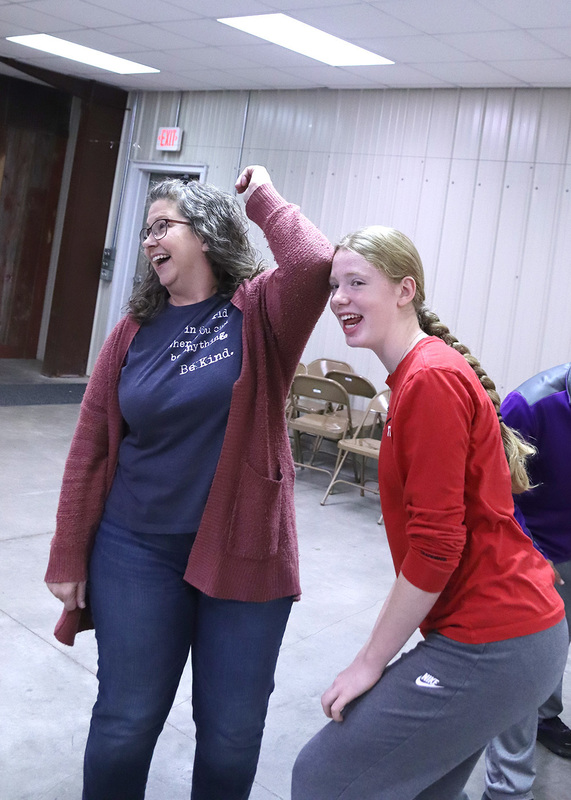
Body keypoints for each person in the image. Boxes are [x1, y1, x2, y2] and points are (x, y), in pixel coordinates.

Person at [44, 166, 333, 800]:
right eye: (146, 230)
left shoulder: (259, 315)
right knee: (124, 723)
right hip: (135, 549)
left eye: (162, 226)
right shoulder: (131, 332)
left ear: (205, 233)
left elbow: (314, 263)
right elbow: (91, 446)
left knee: (231, 737)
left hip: (243, 550)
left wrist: (261, 195)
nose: (149, 241)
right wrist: (68, 551)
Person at [291, 225, 568, 800]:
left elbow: (438, 548)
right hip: (515, 635)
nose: (339, 297)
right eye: (334, 284)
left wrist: (370, 662)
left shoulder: (431, 379)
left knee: (321, 778)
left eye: (357, 282)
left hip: (499, 637)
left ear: (405, 290)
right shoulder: (419, 375)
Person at [483, 361, 571, 800]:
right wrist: (531, 554)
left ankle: (546, 716)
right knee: (525, 657)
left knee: (558, 644)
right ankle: (508, 785)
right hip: (537, 548)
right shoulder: (529, 405)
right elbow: (498, 488)